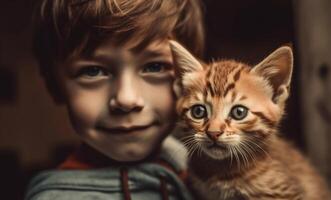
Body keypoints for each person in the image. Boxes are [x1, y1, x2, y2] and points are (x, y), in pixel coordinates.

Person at [25, 0, 204, 199]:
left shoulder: (197, 162)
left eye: (155, 67)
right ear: (54, 86)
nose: (126, 99)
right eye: (93, 71)